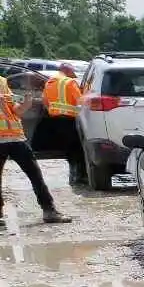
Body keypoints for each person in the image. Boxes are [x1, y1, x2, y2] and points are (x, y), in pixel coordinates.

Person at [0, 72, 72, 225]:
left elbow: (16, 111)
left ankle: (49, 210)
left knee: (35, 175)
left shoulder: (2, 82)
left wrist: (26, 102)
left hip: (16, 138)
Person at [40, 63, 86, 185]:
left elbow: (44, 101)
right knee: (78, 148)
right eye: (72, 73)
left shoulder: (50, 82)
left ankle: (73, 175)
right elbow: (80, 100)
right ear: (67, 71)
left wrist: (52, 111)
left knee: (68, 149)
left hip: (55, 121)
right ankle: (79, 176)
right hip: (69, 120)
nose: (73, 76)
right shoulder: (69, 82)